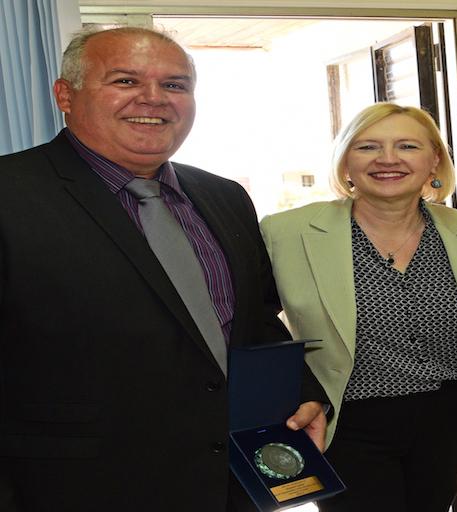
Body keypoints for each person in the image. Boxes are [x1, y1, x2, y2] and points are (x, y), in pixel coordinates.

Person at [0, 27, 327, 512]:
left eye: (175, 85)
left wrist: (302, 393)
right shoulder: (10, 194)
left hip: (228, 484)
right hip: (72, 489)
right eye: (125, 81)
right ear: (65, 95)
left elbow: (255, 321)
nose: (154, 98)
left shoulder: (225, 197)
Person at [260, 103, 457, 512]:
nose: (388, 159)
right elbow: (256, 324)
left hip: (448, 424)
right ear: (345, 162)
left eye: (407, 146)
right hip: (343, 423)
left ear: (434, 160)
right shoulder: (287, 232)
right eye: (368, 147)